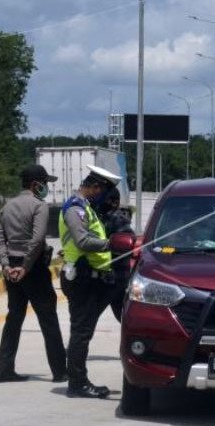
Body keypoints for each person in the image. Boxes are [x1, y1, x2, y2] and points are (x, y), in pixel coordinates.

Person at [0, 164, 67, 383]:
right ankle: (59, 370)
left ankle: (4, 369)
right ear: (36, 185)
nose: (46, 188)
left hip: (13, 269)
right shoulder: (38, 206)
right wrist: (25, 267)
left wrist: (7, 266)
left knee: (14, 317)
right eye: (45, 184)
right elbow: (36, 241)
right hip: (31, 268)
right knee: (48, 319)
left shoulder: (7, 206)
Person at [59, 165, 121, 399]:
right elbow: (83, 240)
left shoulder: (85, 207)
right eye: (102, 191)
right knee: (81, 332)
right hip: (81, 278)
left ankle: (78, 380)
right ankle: (77, 383)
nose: (103, 196)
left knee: (82, 330)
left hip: (89, 276)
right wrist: (111, 244)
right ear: (94, 187)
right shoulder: (75, 208)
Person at [96, 186, 134, 322]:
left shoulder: (119, 219)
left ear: (114, 202)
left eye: (102, 198)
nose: (98, 200)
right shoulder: (101, 217)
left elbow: (127, 243)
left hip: (116, 278)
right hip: (104, 277)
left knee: (124, 317)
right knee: (87, 319)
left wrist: (106, 246)